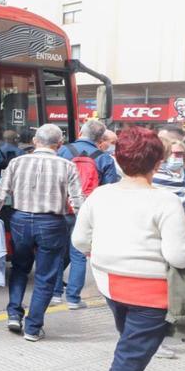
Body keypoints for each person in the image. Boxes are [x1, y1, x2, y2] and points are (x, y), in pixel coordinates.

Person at [72, 127, 185, 371]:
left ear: (117, 158)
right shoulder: (165, 202)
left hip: (111, 286)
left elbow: (80, 241)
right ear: (158, 162)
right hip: (150, 294)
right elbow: (180, 256)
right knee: (130, 359)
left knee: (130, 353)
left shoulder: (100, 195)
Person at [0, 123, 84, 341]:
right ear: (59, 144)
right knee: (46, 277)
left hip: (20, 220)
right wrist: (85, 227)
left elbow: (0, 194)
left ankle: (13, 313)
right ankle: (32, 327)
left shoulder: (17, 162)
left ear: (35, 141)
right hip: (51, 223)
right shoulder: (67, 166)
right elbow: (77, 201)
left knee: (19, 268)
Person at [54, 119, 122, 309]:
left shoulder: (62, 151)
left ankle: (56, 294)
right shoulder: (105, 158)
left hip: (61, 208)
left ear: (81, 132)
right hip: (86, 211)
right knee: (78, 255)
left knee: (57, 252)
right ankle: (74, 299)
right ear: (100, 138)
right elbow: (109, 190)